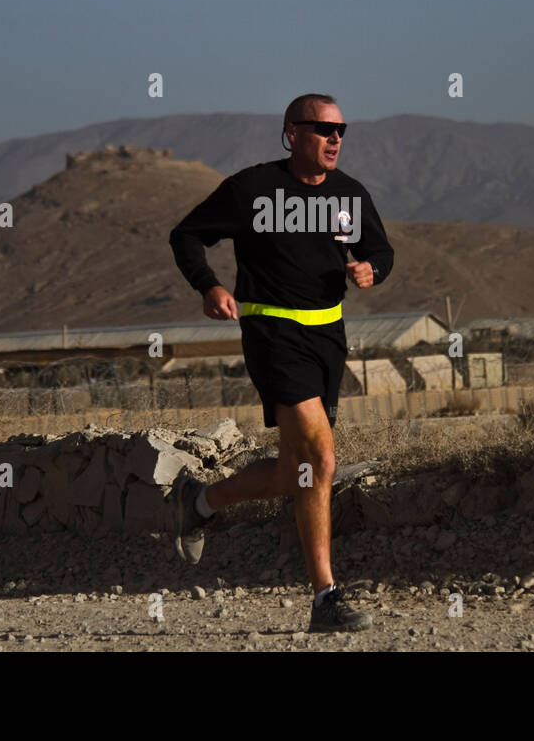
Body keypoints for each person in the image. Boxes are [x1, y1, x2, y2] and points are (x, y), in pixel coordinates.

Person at [167, 93, 394, 633]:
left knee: (301, 470)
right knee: (322, 457)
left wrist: (370, 271)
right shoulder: (252, 188)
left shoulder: (349, 195)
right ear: (292, 133)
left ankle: (199, 501)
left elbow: (380, 252)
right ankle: (325, 598)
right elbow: (187, 235)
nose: (335, 138)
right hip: (272, 330)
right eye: (323, 129)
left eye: (341, 130)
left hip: (329, 334)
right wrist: (210, 285)